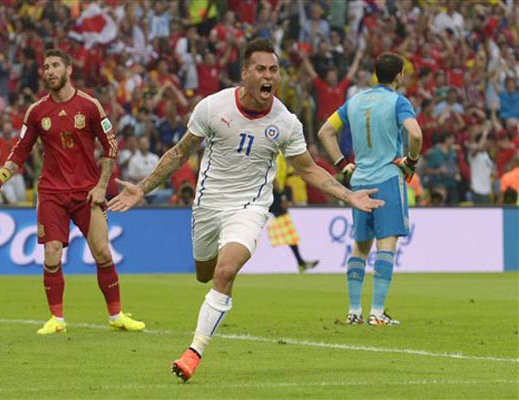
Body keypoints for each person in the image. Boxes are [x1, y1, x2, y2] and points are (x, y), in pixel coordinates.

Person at [108, 38, 384, 381]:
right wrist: (143, 188)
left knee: (225, 272)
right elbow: (180, 152)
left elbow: (309, 169)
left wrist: (348, 195)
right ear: (244, 74)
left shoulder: (286, 122)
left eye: (274, 70)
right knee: (205, 273)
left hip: (250, 207)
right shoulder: (213, 107)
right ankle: (211, 303)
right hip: (208, 205)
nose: (269, 76)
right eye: (261, 69)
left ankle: (193, 352)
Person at [0, 49, 145, 335]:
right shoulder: (37, 111)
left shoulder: (90, 106)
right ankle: (56, 319)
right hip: (52, 193)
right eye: (46, 67)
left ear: (69, 70)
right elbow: (20, 151)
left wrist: (101, 187)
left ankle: (116, 316)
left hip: (87, 192)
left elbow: (110, 146)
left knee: (102, 253)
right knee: (51, 254)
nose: (49, 71)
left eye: (55, 66)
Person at [318, 52, 423, 326]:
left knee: (360, 247)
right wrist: (411, 161)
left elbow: (324, 132)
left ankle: (354, 311)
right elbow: (415, 133)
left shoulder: (354, 101)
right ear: (399, 75)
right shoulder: (398, 101)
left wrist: (343, 164)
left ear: (376, 73)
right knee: (386, 246)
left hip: (359, 181)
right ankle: (377, 312)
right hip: (387, 178)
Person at [268, 152, 319, 272]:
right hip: (272, 193)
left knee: (286, 228)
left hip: (271, 193)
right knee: (287, 229)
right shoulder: (278, 155)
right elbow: (274, 177)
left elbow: (280, 177)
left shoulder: (280, 155)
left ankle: (300, 262)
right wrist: (282, 196)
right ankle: (300, 262)